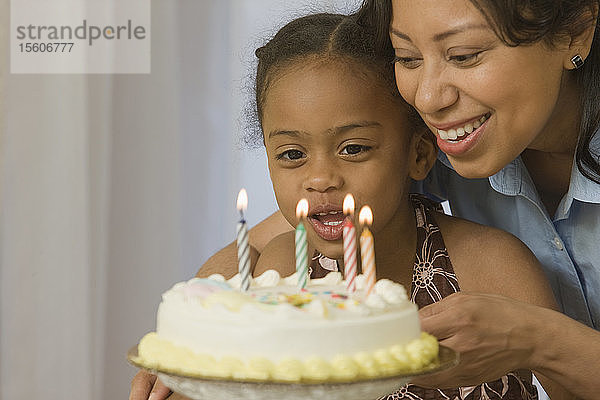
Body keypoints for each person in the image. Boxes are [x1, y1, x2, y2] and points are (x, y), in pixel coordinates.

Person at [130, 12, 574, 400]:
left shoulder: (489, 266)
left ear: (420, 154)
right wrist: (184, 358)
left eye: (354, 148)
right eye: (291, 155)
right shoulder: (283, 275)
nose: (320, 178)